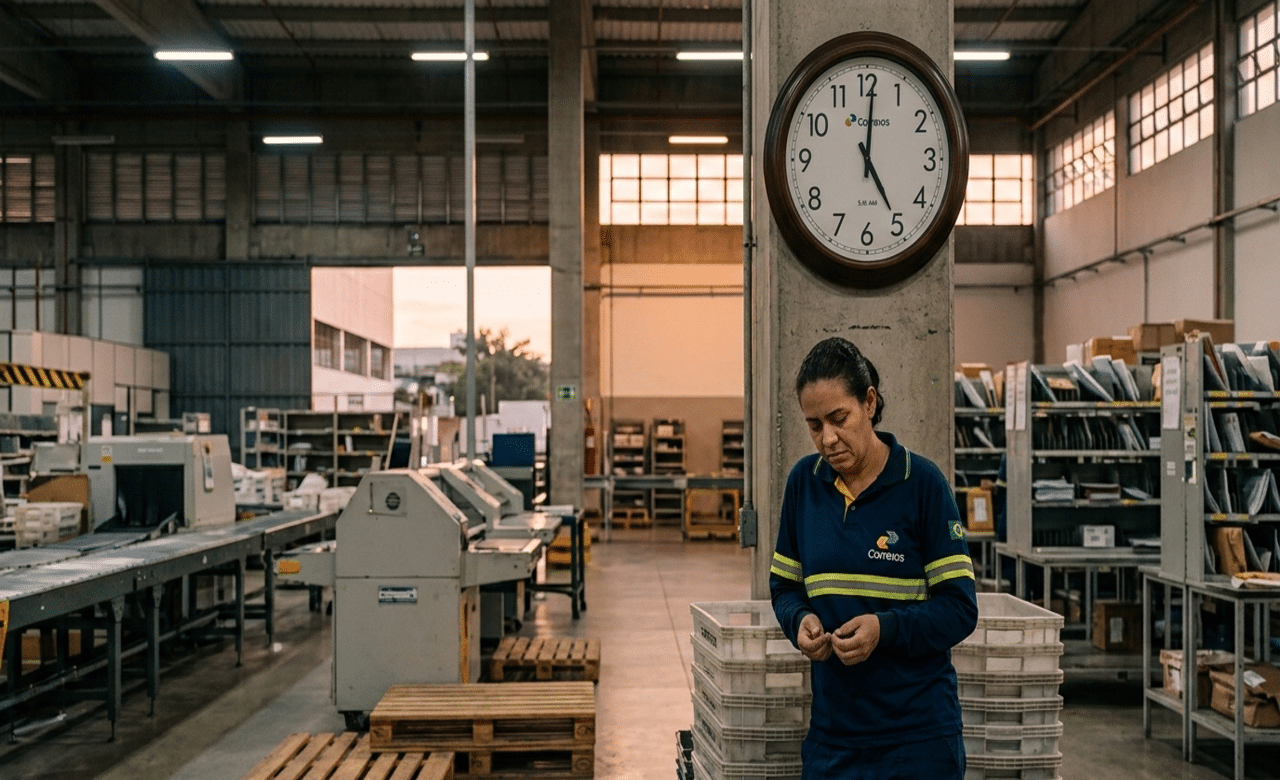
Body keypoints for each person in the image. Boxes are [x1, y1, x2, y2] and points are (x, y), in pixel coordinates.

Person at [770, 337, 978, 780]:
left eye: (838, 418)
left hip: (918, 739)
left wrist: (884, 629)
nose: (827, 438)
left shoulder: (921, 484)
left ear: (869, 402)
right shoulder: (803, 486)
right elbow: (784, 586)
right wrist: (799, 621)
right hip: (833, 738)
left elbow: (959, 609)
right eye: (813, 425)